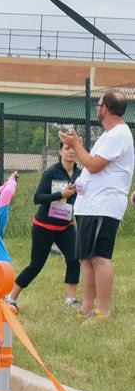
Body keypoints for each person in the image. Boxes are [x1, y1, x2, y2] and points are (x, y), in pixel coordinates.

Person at [63, 89, 131, 321]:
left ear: (105, 108)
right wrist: (79, 146)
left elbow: (93, 165)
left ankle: (103, 311)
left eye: (98, 104)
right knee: (86, 258)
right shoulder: (109, 135)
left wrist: (75, 145)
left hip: (103, 206)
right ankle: (87, 308)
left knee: (100, 257)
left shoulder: (118, 134)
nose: (97, 109)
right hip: (91, 205)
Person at [10, 143, 82, 307]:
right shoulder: (51, 172)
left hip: (66, 226)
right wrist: (60, 194)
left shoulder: (80, 173)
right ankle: (11, 298)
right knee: (36, 265)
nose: (71, 152)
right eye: (67, 148)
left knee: (74, 259)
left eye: (73, 148)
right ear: (60, 151)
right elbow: (38, 198)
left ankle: (71, 300)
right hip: (44, 227)